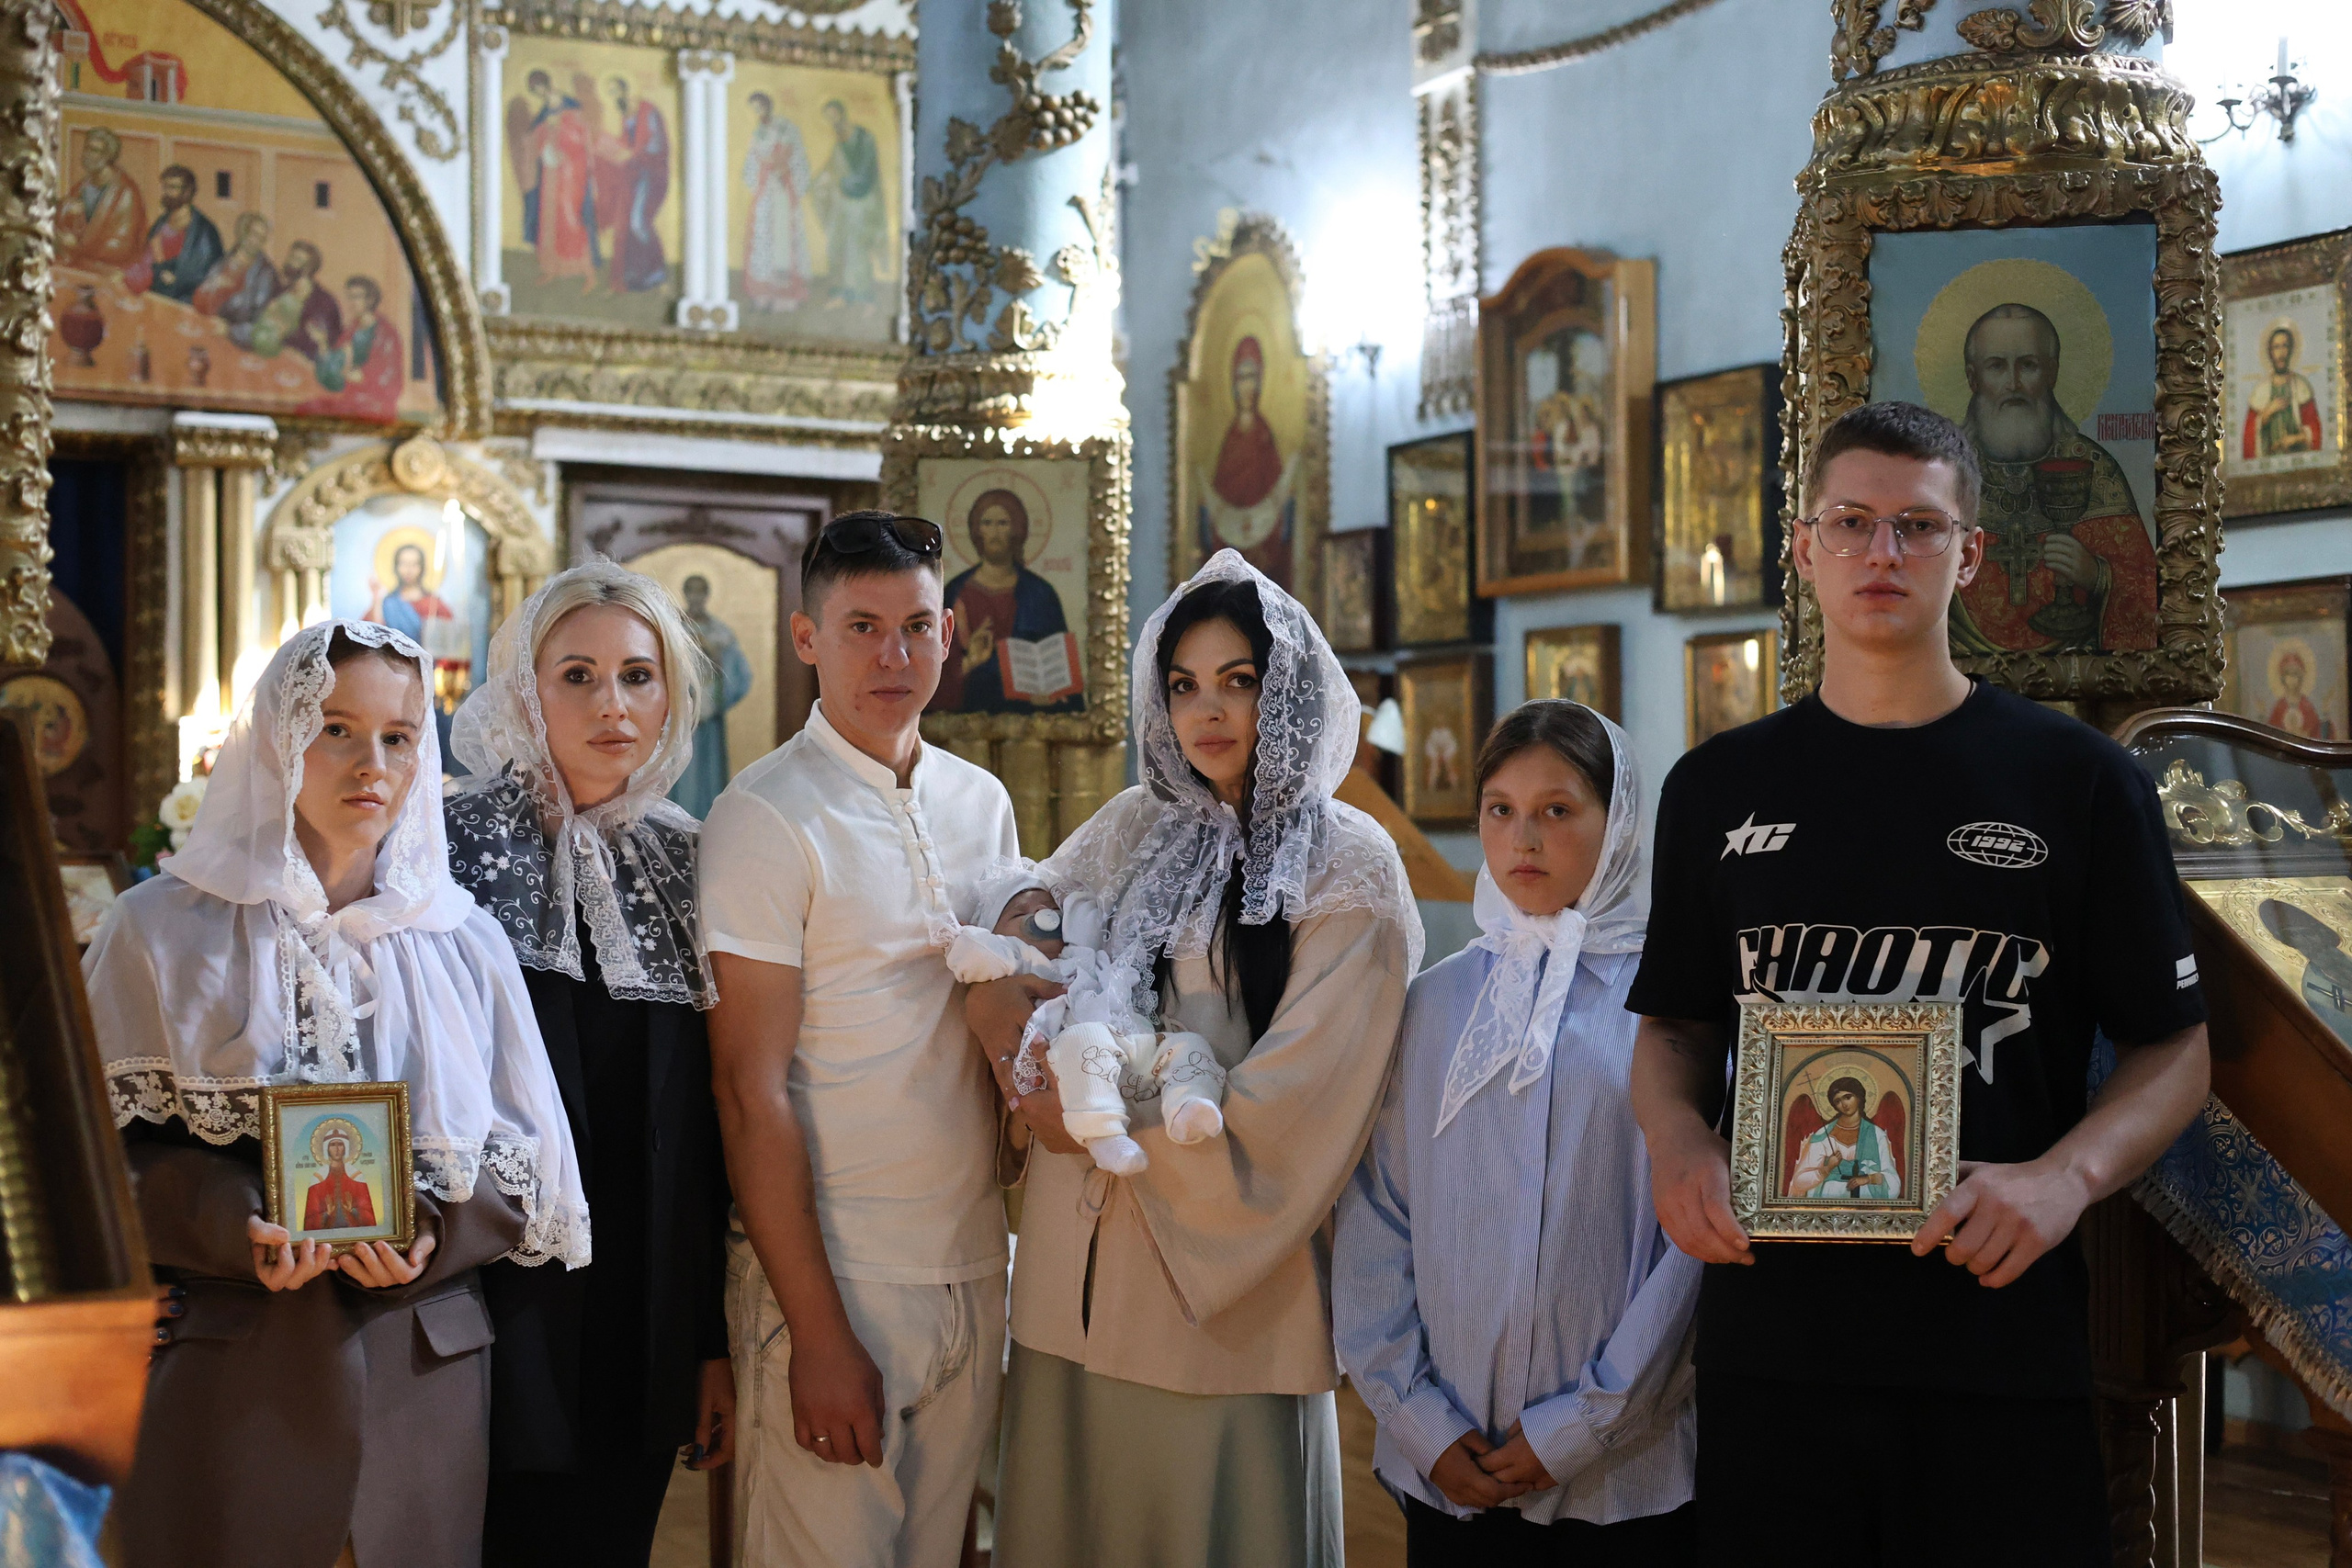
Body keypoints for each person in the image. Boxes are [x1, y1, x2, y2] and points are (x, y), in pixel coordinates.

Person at [1627, 400, 2212, 1566]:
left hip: (1997, 1336)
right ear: (1803, 548)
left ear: (1970, 554)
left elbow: (2176, 1050)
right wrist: (1676, 1146)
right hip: (1772, 1340)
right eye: (1850, 523)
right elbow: (1677, 1028)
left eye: (1916, 527)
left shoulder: (2080, 785)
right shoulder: (1715, 787)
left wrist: (2064, 1177)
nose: (1881, 555)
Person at [84, 622, 589, 1568]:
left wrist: (437, 1230)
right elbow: (93, 1162)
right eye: (336, 729)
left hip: (421, 1387)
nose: (374, 764)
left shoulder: (461, 942)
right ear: (278, 738)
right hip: (234, 1376)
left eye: (399, 736)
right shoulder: (157, 931)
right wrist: (235, 1221)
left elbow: (528, 1166)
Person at [970, 548, 1423, 1568]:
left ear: (1290, 690)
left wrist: (1090, 1126)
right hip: (1065, 1282)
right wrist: (1023, 1060)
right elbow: (1023, 928)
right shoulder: (1137, 826)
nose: (1207, 711)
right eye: (1183, 685)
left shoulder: (1351, 867)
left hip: (1212, 1303)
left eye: (1238, 681)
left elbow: (1298, 1108)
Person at [698, 512, 1019, 1566]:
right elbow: (752, 1093)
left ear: (950, 632)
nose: (894, 656)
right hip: (838, 1273)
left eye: (917, 627)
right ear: (806, 639)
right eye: (863, 627)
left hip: (971, 1263)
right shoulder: (765, 815)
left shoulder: (982, 803)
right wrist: (818, 1331)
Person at [1335, 700, 1698, 1568]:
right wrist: (1420, 1419)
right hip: (1446, 1466)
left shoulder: (1674, 1008)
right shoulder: (1434, 1003)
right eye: (1500, 808)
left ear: (1619, 825)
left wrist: (1581, 1426)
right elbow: (1376, 1215)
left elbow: (1688, 1248)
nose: (1522, 838)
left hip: (1621, 1476)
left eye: (1557, 809)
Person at [446, 560, 736, 1567]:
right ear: (525, 687)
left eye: (637, 676)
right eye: (577, 675)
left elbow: (705, 1131)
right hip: (485, 1305)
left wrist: (707, 1342)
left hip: (640, 1313)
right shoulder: (448, 845)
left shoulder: (689, 858)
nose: (612, 706)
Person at [1951, 302, 2158, 654]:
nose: (2013, 383)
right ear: (1973, 377)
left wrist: (2097, 576)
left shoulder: (2094, 470)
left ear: (2052, 372)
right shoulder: (1943, 473)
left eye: (2028, 365)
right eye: (1997, 366)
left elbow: (2150, 597)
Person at [934, 489, 1080, 714]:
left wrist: (1054, 695)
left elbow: (1061, 675)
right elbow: (934, 676)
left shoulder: (1040, 594)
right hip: (967, 721)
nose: (994, 532)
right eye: (987, 522)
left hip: (1032, 722)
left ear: (1017, 529)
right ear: (976, 530)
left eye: (1003, 523)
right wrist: (969, 662)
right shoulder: (955, 592)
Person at [1195, 337, 1299, 584]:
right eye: (1242, 377)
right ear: (1233, 383)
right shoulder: (1229, 439)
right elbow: (1219, 496)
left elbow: (1278, 499)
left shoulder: (1265, 436)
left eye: (1252, 376)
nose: (1247, 386)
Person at [668, 573, 754, 818]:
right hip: (679, 719)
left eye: (700, 592)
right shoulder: (673, 628)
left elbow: (740, 676)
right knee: (679, 776)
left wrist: (717, 660)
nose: (696, 597)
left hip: (710, 721)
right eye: (691, 591)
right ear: (685, 594)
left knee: (709, 775)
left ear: (707, 595)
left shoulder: (720, 633)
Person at [741, 91, 814, 311]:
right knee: (763, 236)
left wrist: (784, 169)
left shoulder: (785, 128)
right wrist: (762, 171)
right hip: (766, 191)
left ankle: (786, 296)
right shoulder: (758, 133)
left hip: (783, 189)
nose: (757, 112)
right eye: (754, 109)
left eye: (760, 107)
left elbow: (796, 155)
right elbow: (752, 163)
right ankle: (764, 292)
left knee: (783, 238)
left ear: (768, 106)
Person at [599, 74, 669, 294]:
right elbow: (629, 143)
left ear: (623, 89)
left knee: (639, 222)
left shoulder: (647, 111)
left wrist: (631, 154)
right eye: (609, 93)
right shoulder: (626, 115)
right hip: (634, 174)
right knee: (626, 224)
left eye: (614, 91)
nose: (613, 97)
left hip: (651, 173)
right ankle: (637, 273)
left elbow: (655, 144)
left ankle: (658, 272)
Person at [301, 276, 405, 422]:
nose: (351, 303)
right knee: (305, 410)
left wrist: (361, 376)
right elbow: (335, 368)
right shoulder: (352, 330)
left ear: (370, 300)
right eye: (349, 297)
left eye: (356, 297)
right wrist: (322, 344)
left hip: (375, 408)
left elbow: (390, 377)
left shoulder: (386, 334)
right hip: (350, 402)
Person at [812, 100, 884, 306]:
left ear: (842, 115)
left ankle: (863, 296)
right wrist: (818, 183)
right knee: (836, 245)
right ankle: (842, 292)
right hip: (842, 204)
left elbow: (865, 173)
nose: (833, 121)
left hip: (861, 203)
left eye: (834, 116)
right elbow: (830, 169)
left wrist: (843, 183)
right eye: (829, 118)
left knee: (857, 248)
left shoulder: (863, 138)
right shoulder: (839, 144)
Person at [1786, 1077, 1900, 1200]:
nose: (1844, 1104)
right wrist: (1826, 1169)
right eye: (1837, 1101)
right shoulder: (1823, 1136)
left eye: (1847, 1097)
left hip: (1864, 1201)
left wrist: (1868, 1179)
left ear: (1859, 1097)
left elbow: (1893, 1181)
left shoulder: (1877, 1135)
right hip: (1828, 1199)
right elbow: (1799, 1180)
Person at [126, 164, 222, 304]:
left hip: (184, 301)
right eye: (165, 187)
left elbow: (211, 271)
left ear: (187, 191)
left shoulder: (204, 230)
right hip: (153, 293)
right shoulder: (161, 223)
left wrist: (177, 279)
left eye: (173, 188)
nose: (167, 192)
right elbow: (147, 256)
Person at [235, 240, 342, 361]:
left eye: (297, 260)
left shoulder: (323, 302)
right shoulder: (280, 289)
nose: (289, 261)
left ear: (308, 268)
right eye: (290, 256)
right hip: (268, 353)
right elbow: (259, 319)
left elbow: (317, 345)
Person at [59, 127, 146, 269]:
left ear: (108, 156)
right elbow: (61, 223)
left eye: (95, 150)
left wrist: (78, 247)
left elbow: (122, 247)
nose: (87, 154)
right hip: (79, 265)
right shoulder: (80, 188)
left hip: (109, 271)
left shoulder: (125, 192)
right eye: (86, 148)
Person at [2245, 323, 2324, 458]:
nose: (2281, 353)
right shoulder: (2260, 391)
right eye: (2276, 347)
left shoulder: (2301, 386)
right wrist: (2265, 415)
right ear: (2270, 352)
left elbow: (2315, 431)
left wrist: (2295, 439)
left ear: (2291, 350)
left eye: (2285, 346)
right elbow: (2248, 439)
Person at [192, 212, 278, 323]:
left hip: (232, 333)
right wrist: (213, 284)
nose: (256, 242)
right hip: (208, 322)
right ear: (244, 232)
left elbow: (257, 316)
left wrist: (230, 330)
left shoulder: (265, 272)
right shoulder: (224, 260)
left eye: (261, 239)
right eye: (254, 235)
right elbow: (199, 298)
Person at [301, 1126, 379, 1230]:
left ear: (345, 1148)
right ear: (327, 1149)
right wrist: (326, 1214)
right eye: (333, 1145)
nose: (337, 1149)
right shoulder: (318, 1179)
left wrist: (353, 1211)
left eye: (340, 1144)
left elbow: (369, 1218)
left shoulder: (356, 1176)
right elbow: (310, 1221)